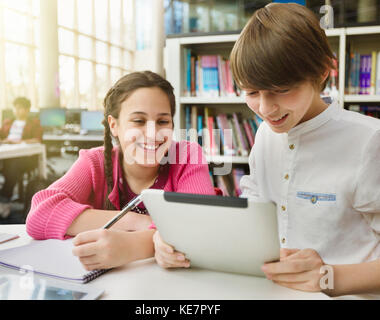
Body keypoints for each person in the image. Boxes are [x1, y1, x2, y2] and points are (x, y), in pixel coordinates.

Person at [159, 3, 380, 298]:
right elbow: (254, 216)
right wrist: (176, 240)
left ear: (324, 70)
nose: (265, 109)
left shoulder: (368, 141)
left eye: (282, 89)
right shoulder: (265, 133)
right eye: (251, 92)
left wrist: (330, 278)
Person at [26, 71, 215, 271]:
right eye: (139, 121)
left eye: (162, 122)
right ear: (114, 125)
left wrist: (134, 246)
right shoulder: (94, 162)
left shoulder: (187, 155)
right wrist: (137, 221)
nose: (153, 133)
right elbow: (39, 215)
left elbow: (200, 223)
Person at [0, 97, 43, 218]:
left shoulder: (34, 123)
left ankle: (4, 203)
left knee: (12, 167)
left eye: (20, 108)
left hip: (24, 158)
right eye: (15, 108)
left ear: (27, 110)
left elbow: (37, 139)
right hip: (5, 155)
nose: (17, 111)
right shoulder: (8, 122)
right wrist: (3, 140)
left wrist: (19, 141)